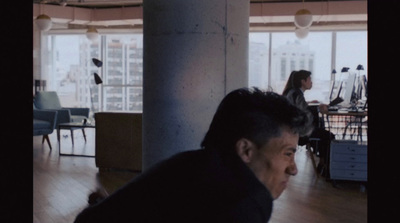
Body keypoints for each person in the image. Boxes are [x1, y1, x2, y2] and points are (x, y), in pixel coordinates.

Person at [74, 88, 313, 223]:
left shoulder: (195, 163)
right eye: (288, 153)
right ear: (246, 150)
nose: (293, 168)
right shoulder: (243, 200)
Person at [282, 70, 334, 174]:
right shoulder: (297, 94)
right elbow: (304, 113)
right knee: (329, 136)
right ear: (303, 81)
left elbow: (299, 108)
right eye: (309, 79)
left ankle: (323, 162)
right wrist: (318, 109)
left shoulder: (293, 92)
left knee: (320, 128)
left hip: (294, 128)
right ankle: (326, 167)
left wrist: (311, 105)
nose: (311, 82)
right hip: (299, 132)